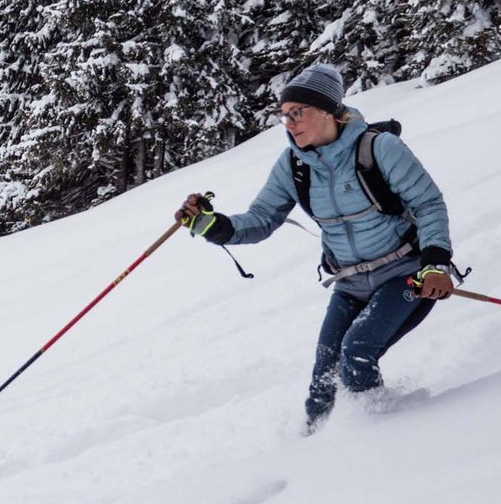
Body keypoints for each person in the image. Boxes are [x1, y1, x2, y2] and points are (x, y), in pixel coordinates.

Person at [175, 63, 455, 431]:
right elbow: (261, 219)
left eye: (297, 113)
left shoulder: (379, 148)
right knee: (323, 378)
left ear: (328, 111)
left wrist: (436, 262)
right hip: (350, 282)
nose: (289, 123)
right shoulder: (294, 164)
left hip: (406, 275)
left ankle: (382, 437)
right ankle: (313, 447)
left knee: (355, 353)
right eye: (284, 116)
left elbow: (428, 203)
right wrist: (212, 224)